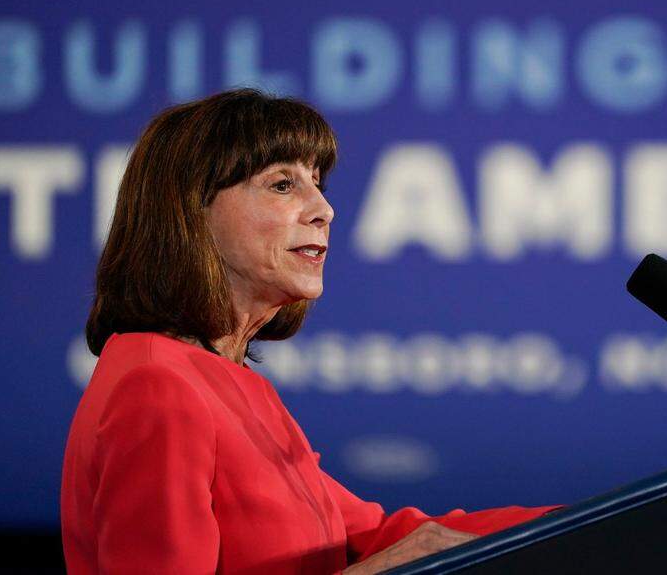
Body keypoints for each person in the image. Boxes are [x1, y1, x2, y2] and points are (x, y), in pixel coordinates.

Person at [60, 89, 558, 574]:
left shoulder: (229, 385)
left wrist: (582, 523)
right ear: (191, 210)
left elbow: (376, 536)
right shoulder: (157, 387)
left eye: (316, 182)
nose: (324, 208)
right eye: (282, 185)